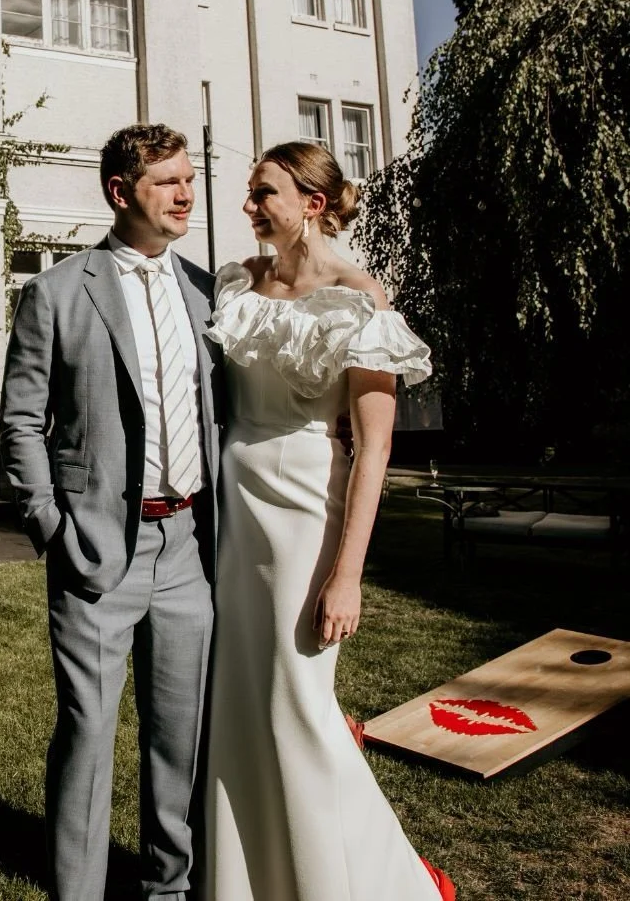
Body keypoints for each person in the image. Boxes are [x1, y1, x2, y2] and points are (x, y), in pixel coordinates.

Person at [202, 141, 455, 901]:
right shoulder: (233, 283)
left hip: (309, 508)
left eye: (264, 193)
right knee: (241, 704)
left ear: (313, 204)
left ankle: (379, 885)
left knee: (301, 706)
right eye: (250, 192)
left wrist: (346, 577)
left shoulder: (358, 297)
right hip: (234, 510)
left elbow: (375, 449)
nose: (249, 207)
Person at [0, 123, 219, 901]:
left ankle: (169, 890)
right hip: (95, 552)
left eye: (190, 178)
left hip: (189, 548)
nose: (187, 193)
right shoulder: (58, 291)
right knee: (89, 737)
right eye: (168, 182)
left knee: (178, 741)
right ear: (120, 192)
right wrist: (50, 525)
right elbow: (22, 421)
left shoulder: (205, 288)